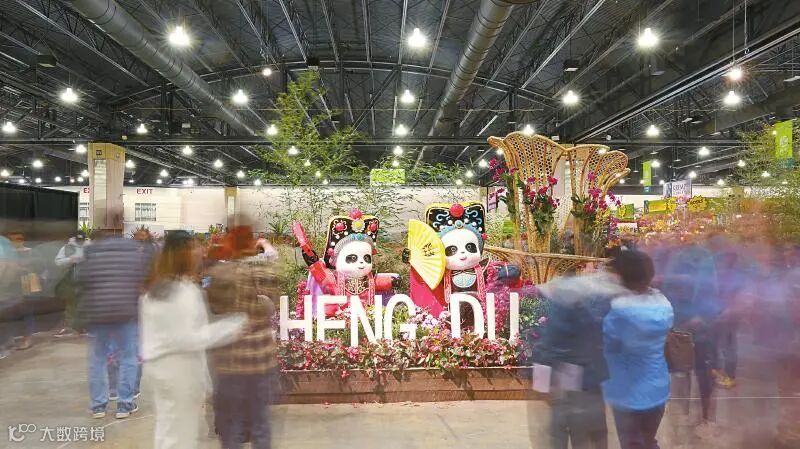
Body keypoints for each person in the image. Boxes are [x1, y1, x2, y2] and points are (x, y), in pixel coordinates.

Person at [140, 231, 246, 449]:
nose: (201, 251)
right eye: (195, 247)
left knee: (169, 430)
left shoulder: (157, 289)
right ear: (183, 253)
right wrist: (232, 327)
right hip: (179, 371)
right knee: (180, 435)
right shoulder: (181, 292)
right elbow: (188, 338)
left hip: (162, 369)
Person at [533, 265, 629, 449]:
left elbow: (550, 343)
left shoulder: (563, 302)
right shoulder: (602, 301)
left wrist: (541, 383)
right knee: (593, 435)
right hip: (593, 381)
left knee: (562, 430)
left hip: (569, 383)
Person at [206, 226, 281, 449]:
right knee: (261, 423)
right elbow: (272, 303)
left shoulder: (219, 273)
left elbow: (213, 310)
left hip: (229, 362)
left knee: (231, 426)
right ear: (250, 243)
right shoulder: (263, 269)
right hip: (260, 360)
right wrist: (264, 244)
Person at [603, 250, 673, 449]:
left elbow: (606, 343)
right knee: (648, 441)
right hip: (657, 387)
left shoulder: (620, 310)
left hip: (628, 393)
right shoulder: (662, 302)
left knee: (632, 443)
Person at [77, 229, 149, 419]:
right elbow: (142, 281)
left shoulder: (91, 252)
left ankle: (98, 406)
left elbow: (82, 280)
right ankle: (125, 404)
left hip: (98, 312)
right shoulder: (135, 252)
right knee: (128, 357)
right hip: (126, 312)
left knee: (97, 359)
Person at [53, 231, 89, 337]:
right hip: (70, 280)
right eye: (78, 240)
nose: (80, 242)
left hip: (86, 280)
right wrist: (70, 260)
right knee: (71, 304)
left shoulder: (90, 247)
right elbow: (58, 262)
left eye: (82, 240)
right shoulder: (67, 248)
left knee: (84, 304)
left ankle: (83, 327)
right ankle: (72, 327)